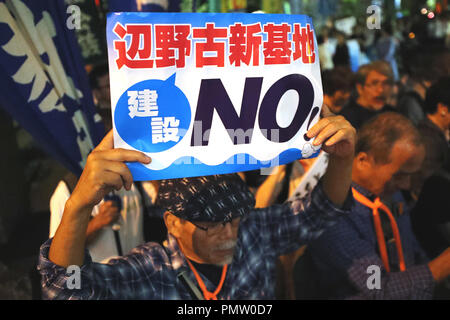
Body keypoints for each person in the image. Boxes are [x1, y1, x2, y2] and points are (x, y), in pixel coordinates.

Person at [37, 106, 357, 300]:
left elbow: (321, 212)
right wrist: (78, 205)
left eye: (234, 219)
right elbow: (67, 291)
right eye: (212, 224)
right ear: (173, 222)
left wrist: (342, 159)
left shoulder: (254, 232)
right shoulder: (151, 270)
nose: (230, 234)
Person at [295, 112, 450, 299]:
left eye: (412, 176)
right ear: (363, 160)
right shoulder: (331, 214)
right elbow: (377, 288)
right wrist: (442, 266)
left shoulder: (389, 194)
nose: (407, 185)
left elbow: (411, 254)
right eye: (399, 175)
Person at [340, 61, 395, 130]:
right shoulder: (346, 120)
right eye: (374, 83)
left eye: (386, 83)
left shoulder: (393, 115)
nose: (381, 90)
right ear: (360, 88)